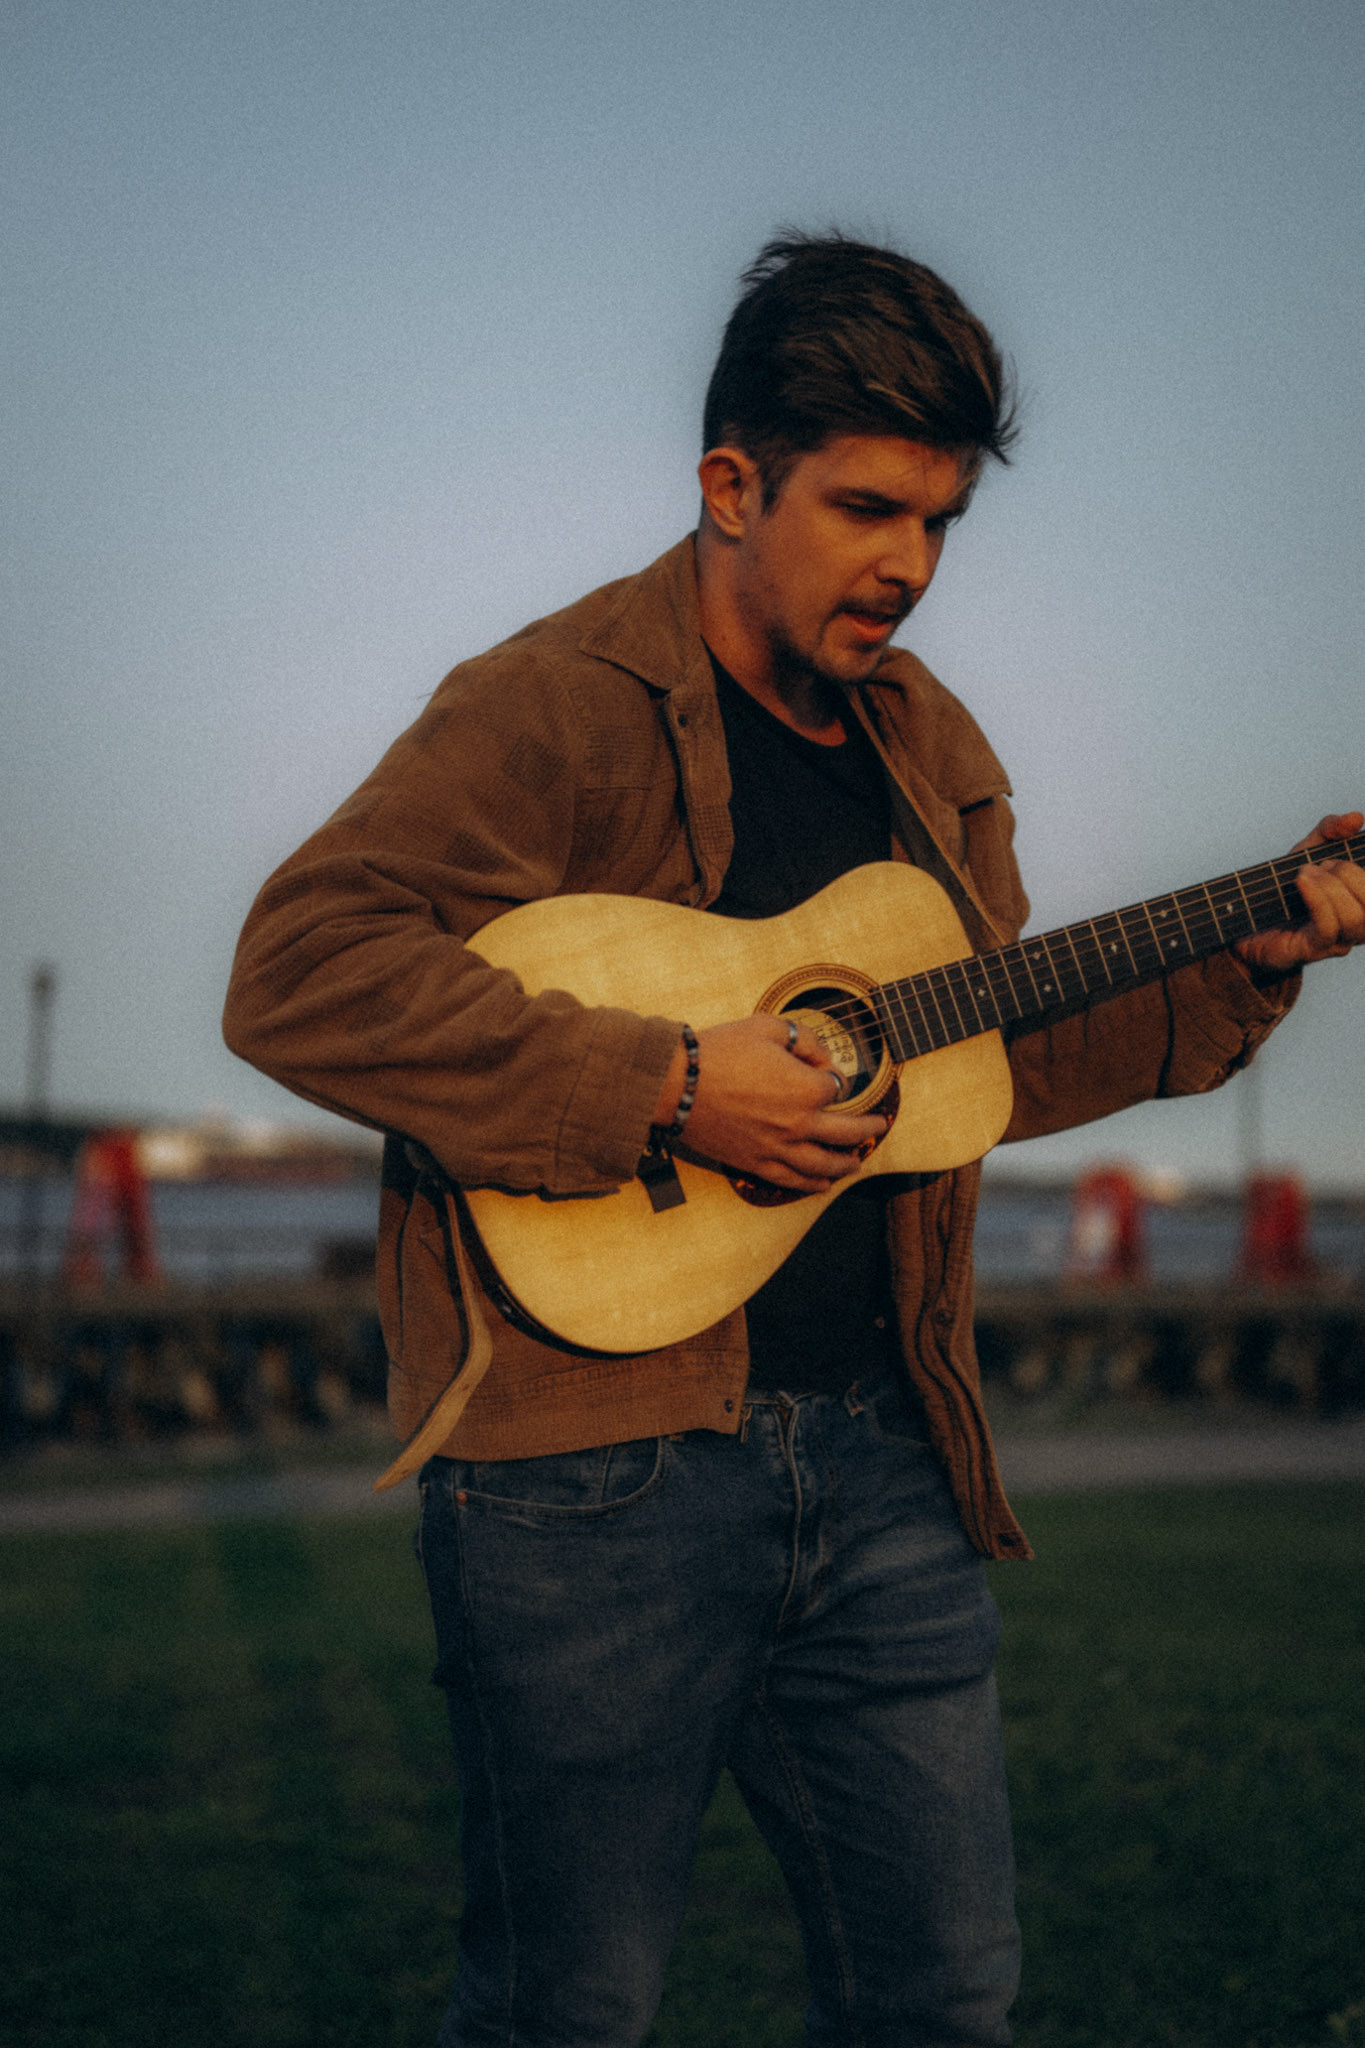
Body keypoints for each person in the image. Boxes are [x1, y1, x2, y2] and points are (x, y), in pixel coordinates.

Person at [223, 233, 1365, 2048]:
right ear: (730, 485)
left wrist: (1243, 962)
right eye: (865, 510)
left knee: (945, 2000)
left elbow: (980, 1063)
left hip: (888, 1454)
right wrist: (672, 1087)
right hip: (589, 1484)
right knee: (566, 2010)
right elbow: (301, 971)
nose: (908, 565)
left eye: (940, 522)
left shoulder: (932, 748)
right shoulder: (547, 703)